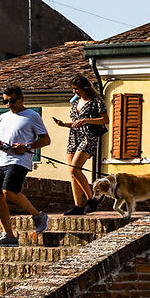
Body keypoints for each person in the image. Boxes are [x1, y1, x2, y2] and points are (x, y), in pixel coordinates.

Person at [0, 83, 51, 246]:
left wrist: (27, 146)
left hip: (20, 160)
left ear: (21, 99)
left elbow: (46, 140)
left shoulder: (32, 116)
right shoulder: (3, 117)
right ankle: (8, 235)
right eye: (5, 102)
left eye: (12, 101)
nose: (9, 105)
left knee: (9, 191)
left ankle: (38, 215)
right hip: (1, 159)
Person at [58, 73, 107, 212]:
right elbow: (76, 123)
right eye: (73, 89)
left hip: (88, 137)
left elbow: (105, 120)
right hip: (73, 137)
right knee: (72, 173)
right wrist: (64, 124)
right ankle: (78, 206)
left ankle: (91, 199)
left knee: (75, 169)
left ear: (84, 87)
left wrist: (87, 120)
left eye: (76, 89)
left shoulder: (96, 102)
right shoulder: (75, 103)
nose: (74, 92)